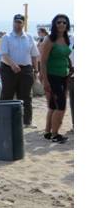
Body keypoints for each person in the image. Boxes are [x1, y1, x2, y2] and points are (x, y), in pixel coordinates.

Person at [0, 14, 39, 128]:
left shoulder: (29, 37)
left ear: (23, 23)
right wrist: (13, 65)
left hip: (26, 69)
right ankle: (5, 121)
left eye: (20, 22)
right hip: (8, 69)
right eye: (16, 22)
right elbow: (4, 54)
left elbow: (34, 55)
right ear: (13, 23)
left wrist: (36, 71)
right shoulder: (7, 37)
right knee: (7, 95)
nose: (18, 24)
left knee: (26, 96)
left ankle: (27, 121)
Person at [39, 14, 72, 143]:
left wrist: (69, 68)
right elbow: (43, 62)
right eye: (59, 22)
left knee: (53, 105)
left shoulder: (66, 38)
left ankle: (47, 132)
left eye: (64, 22)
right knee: (61, 106)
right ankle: (55, 134)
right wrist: (45, 80)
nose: (62, 24)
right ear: (54, 24)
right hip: (52, 76)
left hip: (64, 75)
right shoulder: (49, 40)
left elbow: (65, 55)